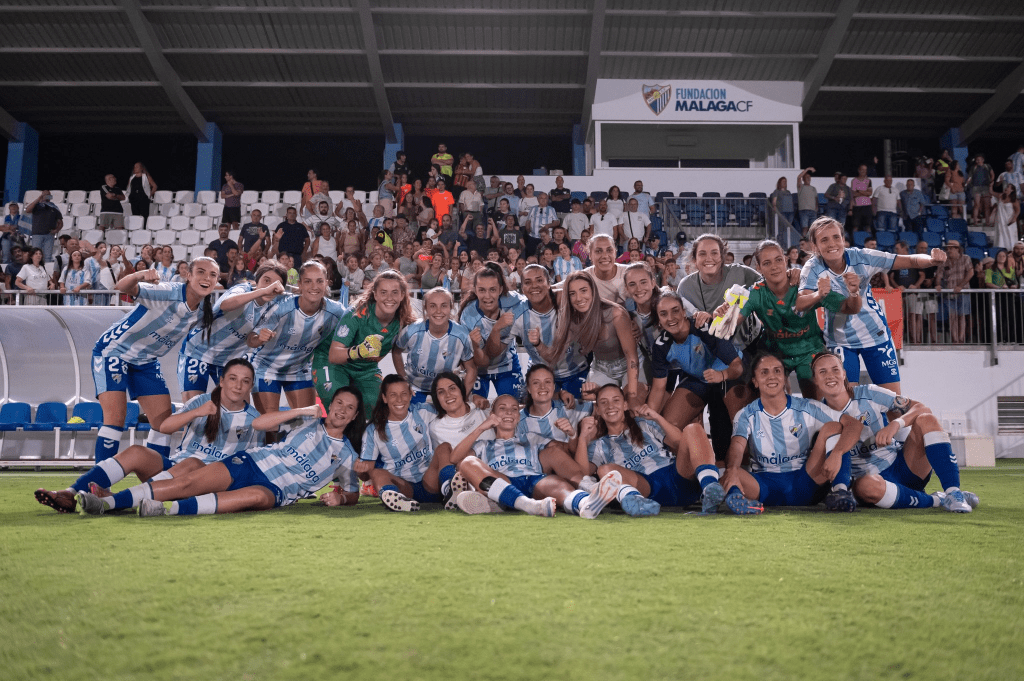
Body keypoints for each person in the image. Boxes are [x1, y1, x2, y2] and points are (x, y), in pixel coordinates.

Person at [75, 388, 365, 516]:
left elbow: (353, 493)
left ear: (354, 417)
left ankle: (167, 510)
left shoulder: (348, 456)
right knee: (185, 483)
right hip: (250, 463)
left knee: (253, 497)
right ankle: (110, 503)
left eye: (349, 408)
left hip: (276, 489)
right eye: (339, 403)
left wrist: (341, 498)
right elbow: (260, 423)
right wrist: (302, 409)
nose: (342, 410)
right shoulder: (306, 420)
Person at [35, 359, 263, 514]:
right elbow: (165, 427)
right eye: (233, 378)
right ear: (222, 381)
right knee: (136, 452)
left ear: (251, 386)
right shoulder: (201, 401)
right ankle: (70, 493)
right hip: (173, 469)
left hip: (207, 480)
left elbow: (250, 463)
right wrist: (197, 412)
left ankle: (113, 500)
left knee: (193, 463)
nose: (238, 385)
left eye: (245, 381)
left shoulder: (255, 420)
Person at [88, 257, 219, 471]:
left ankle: (156, 483)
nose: (206, 278)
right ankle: (99, 482)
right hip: (114, 351)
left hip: (146, 361)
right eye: (201, 272)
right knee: (115, 419)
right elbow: (121, 287)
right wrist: (141, 275)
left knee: (163, 425)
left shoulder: (204, 311)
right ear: (188, 275)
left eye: (212, 275)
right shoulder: (167, 291)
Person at [811, 352, 977, 513]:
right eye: (822, 372)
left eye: (835, 370)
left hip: (903, 467)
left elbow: (922, 408)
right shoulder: (814, 414)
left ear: (844, 373)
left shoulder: (869, 393)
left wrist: (895, 425)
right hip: (870, 483)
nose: (830, 376)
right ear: (815, 380)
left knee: (926, 419)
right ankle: (937, 500)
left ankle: (954, 492)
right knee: (866, 486)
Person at [798, 217, 945, 391]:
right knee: (846, 403)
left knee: (893, 403)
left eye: (836, 237)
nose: (832, 244)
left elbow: (910, 260)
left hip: (876, 337)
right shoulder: (812, 267)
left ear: (843, 239)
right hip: (840, 341)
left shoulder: (863, 257)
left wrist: (931, 260)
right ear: (815, 247)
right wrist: (818, 294)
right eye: (824, 239)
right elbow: (801, 302)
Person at [714, 239, 860, 400]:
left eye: (778, 260)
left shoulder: (805, 284)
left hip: (809, 350)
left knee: (815, 404)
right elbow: (732, 324)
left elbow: (850, 308)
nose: (775, 266)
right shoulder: (756, 293)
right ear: (758, 267)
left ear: (785, 260)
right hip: (775, 352)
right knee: (766, 399)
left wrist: (854, 292)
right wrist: (723, 317)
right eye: (767, 263)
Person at [720, 353, 863, 515]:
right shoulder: (746, 414)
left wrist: (837, 453)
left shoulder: (808, 407)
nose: (771, 377)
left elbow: (853, 424)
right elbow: (737, 446)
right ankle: (736, 499)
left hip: (807, 482)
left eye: (777, 371)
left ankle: (840, 491)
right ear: (755, 381)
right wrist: (731, 470)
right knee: (730, 471)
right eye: (764, 372)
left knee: (833, 428)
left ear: (784, 378)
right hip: (764, 487)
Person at [448, 394, 621, 518]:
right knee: (468, 462)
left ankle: (587, 500)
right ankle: (527, 505)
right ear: (492, 415)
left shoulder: (531, 438)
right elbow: (455, 458)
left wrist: (572, 434)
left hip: (533, 479)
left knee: (555, 465)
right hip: (504, 482)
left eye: (514, 409)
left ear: (518, 417)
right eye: (502, 408)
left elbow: (567, 452)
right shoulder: (484, 445)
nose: (509, 412)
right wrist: (481, 428)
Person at [577, 384, 726, 516]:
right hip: (647, 490)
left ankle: (710, 487)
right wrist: (583, 438)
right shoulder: (599, 445)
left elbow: (681, 443)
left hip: (677, 476)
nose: (610, 406)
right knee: (605, 470)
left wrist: (657, 417)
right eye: (604, 402)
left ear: (625, 405)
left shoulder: (643, 424)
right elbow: (583, 475)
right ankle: (636, 503)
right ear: (597, 409)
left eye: (616, 400)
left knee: (694, 429)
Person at [179, 261, 287, 402]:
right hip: (199, 351)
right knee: (194, 407)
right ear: (256, 281)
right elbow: (226, 304)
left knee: (239, 409)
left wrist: (260, 339)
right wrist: (262, 291)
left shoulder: (275, 308)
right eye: (266, 281)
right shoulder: (243, 288)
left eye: (275, 284)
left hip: (229, 360)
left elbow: (251, 340)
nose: (270, 287)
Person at [248, 260, 346, 415]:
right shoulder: (281, 306)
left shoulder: (337, 311)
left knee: (307, 423)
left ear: (327, 283)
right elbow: (251, 340)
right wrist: (259, 338)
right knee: (270, 425)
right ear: (299, 284)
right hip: (266, 367)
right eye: (308, 282)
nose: (314, 287)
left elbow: (354, 325)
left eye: (319, 281)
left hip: (299, 369)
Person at [311, 270, 412, 418]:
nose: (389, 298)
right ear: (375, 295)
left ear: (402, 295)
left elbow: (397, 351)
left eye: (395, 292)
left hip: (365, 368)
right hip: (332, 362)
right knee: (341, 407)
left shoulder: (404, 320)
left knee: (381, 408)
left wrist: (405, 379)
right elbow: (334, 355)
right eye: (383, 292)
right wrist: (358, 351)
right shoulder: (357, 313)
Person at [546, 270, 641, 407]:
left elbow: (631, 356)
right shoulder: (570, 319)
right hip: (601, 366)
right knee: (590, 400)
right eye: (572, 293)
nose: (578, 298)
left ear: (593, 291)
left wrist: (631, 396)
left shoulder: (615, 313)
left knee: (630, 405)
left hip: (629, 364)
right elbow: (556, 355)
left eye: (583, 290)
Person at [510, 265, 591, 398]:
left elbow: (596, 302)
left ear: (549, 284)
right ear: (522, 288)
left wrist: (629, 318)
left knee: (578, 410)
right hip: (541, 375)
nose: (534, 286)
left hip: (577, 371)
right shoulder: (517, 314)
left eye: (539, 280)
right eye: (528, 282)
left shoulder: (567, 302)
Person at [392, 287, 478, 404]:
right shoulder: (412, 330)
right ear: (425, 308)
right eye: (433, 306)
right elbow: (396, 352)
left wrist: (464, 396)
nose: (438, 311)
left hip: (446, 392)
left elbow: (471, 369)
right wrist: (404, 380)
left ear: (451, 307)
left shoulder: (461, 335)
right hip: (415, 389)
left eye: (444, 305)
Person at [516, 364, 592, 487]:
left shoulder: (567, 407)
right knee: (554, 451)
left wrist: (573, 435)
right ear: (529, 389)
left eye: (547, 382)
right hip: (539, 472)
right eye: (536, 383)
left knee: (591, 427)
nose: (542, 387)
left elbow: (602, 408)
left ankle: (590, 486)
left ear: (554, 386)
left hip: (571, 465)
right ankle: (588, 485)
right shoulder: (519, 420)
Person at [459, 263, 528, 400]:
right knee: (474, 411)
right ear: (475, 290)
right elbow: (483, 361)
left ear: (500, 289)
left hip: (507, 365)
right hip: (479, 368)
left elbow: (533, 300)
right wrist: (495, 329)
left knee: (514, 408)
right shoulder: (468, 315)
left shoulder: (513, 304)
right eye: (482, 290)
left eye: (492, 290)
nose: (488, 296)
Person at [23, 190, 63, 263]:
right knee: (35, 254)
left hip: (49, 235)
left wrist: (56, 230)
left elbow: (60, 222)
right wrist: (39, 199)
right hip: (37, 234)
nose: (48, 196)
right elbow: (27, 210)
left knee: (48, 256)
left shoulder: (54, 207)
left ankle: (47, 272)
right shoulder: (36, 206)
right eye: (45, 195)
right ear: (42, 195)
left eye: (49, 195)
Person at [993, 183, 1021, 251]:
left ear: (1012, 190)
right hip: (1000, 220)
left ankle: (1010, 251)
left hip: (1009, 221)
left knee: (1010, 236)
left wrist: (1014, 218)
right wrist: (991, 183)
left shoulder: (1014, 200)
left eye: (1008, 187)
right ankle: (1000, 250)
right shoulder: (1001, 196)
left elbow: (1018, 210)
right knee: (1000, 235)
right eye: (1006, 186)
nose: (1006, 187)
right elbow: (991, 192)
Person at [968, 154, 994, 226]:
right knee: (976, 205)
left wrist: (991, 182)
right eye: (977, 159)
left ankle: (987, 221)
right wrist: (968, 183)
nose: (978, 161)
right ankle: (975, 221)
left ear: (983, 160)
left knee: (987, 205)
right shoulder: (973, 167)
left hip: (985, 187)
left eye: (979, 159)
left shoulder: (987, 166)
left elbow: (992, 174)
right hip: (976, 187)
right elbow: (970, 177)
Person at [850, 164, 873, 233]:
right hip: (857, 206)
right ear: (859, 170)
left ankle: (869, 241)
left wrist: (859, 191)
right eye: (862, 169)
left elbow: (870, 193)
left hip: (867, 205)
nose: (864, 171)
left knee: (868, 226)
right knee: (856, 226)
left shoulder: (869, 180)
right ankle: (855, 241)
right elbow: (854, 193)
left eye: (865, 170)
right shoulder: (854, 180)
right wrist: (865, 192)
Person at [795, 167, 818, 233]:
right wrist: (808, 169)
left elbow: (816, 199)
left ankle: (812, 242)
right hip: (804, 211)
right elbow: (798, 177)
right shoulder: (801, 187)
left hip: (813, 211)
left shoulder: (813, 188)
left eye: (809, 177)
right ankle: (804, 242)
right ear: (803, 179)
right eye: (806, 177)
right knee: (805, 228)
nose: (808, 178)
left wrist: (816, 209)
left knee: (813, 229)